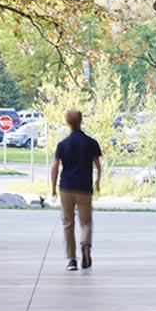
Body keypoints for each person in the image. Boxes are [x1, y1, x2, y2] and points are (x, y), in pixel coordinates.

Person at [51, 109, 102, 270]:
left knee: (68, 223)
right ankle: (85, 244)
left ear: (68, 122)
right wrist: (97, 181)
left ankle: (72, 260)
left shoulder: (63, 144)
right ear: (81, 121)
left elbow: (55, 167)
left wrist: (53, 188)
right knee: (86, 222)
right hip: (84, 188)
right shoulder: (91, 142)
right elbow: (98, 165)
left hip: (66, 187)